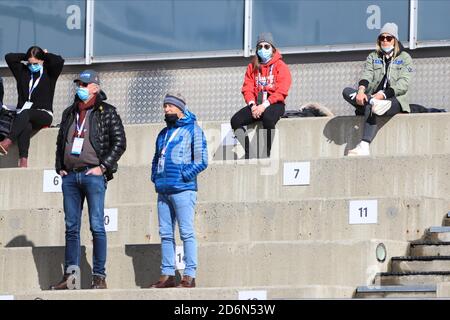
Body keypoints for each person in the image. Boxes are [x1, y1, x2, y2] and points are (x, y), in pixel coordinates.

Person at [51, 70, 126, 290]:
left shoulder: (107, 112)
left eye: (84, 84)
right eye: (78, 84)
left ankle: (99, 277)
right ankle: (71, 278)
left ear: (95, 87)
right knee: (71, 228)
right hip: (70, 177)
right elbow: (60, 142)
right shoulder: (69, 112)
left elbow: (119, 142)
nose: (79, 88)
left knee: (96, 226)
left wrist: (103, 167)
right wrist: (60, 168)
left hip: (93, 175)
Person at [150, 93, 208, 288]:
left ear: (180, 108)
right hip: (163, 189)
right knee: (165, 233)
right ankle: (167, 274)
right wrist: (155, 177)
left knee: (186, 232)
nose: (166, 109)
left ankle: (189, 275)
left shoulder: (194, 130)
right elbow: (156, 158)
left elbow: (202, 160)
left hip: (183, 189)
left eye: (169, 106)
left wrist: (183, 176)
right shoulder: (163, 133)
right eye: (164, 105)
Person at [342, 23, 413, 156]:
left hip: (394, 100)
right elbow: (366, 75)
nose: (385, 41)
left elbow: (403, 84)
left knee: (372, 105)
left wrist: (382, 95)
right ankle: (371, 102)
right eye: (382, 38)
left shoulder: (405, 58)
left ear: (395, 40)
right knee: (346, 91)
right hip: (372, 98)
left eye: (388, 38)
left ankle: (364, 145)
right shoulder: (373, 57)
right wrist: (361, 91)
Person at [231, 32, 292, 159]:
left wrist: (264, 106)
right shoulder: (252, 66)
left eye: (266, 46)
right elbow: (247, 88)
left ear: (273, 49)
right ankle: (249, 152)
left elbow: (282, 91)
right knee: (235, 120)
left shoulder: (281, 66)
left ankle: (266, 152)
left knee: (268, 119)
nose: (263, 49)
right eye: (260, 47)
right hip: (256, 105)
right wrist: (252, 105)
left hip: (274, 104)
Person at [1, 46, 64, 166]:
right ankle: (23, 160)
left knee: (26, 113)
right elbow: (9, 57)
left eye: (35, 63)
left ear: (42, 61)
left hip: (43, 114)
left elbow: (59, 61)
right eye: (30, 63)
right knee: (26, 124)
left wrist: (45, 55)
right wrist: (27, 56)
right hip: (24, 116)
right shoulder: (23, 72)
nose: (32, 66)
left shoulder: (49, 73)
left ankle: (7, 142)